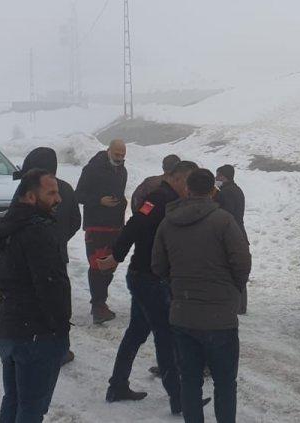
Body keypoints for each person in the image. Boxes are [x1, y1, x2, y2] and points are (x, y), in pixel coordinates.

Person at [98, 161, 198, 414]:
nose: (190, 189)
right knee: (166, 336)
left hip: (147, 277)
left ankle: (117, 385)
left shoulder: (171, 199)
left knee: (136, 332)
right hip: (148, 279)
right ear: (177, 179)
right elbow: (134, 225)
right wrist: (116, 256)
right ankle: (179, 398)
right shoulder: (160, 197)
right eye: (189, 183)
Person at [153, 169, 252, 423]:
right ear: (212, 191)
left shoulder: (168, 222)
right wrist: (232, 291)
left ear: (187, 189)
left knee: (190, 382)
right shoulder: (224, 221)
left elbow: (158, 266)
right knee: (225, 383)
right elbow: (242, 263)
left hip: (183, 317)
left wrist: (177, 286)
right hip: (220, 319)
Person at [0, 169, 70, 423]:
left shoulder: (8, 227)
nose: (58, 199)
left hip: (10, 328)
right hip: (36, 334)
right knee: (32, 407)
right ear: (31, 197)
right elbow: (51, 285)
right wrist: (60, 330)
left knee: (13, 399)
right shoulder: (37, 231)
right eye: (51, 193)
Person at [15, 147, 81, 364]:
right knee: (60, 300)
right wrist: (60, 241)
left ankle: (39, 345)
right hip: (58, 254)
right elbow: (75, 222)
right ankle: (62, 348)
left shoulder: (28, 191)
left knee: (35, 299)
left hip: (30, 258)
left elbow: (16, 221)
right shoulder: (66, 189)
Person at [76, 139, 128, 324]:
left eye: (123, 155)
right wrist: (99, 200)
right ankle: (98, 305)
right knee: (98, 265)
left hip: (115, 225)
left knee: (111, 264)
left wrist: (122, 203)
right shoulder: (92, 169)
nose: (120, 158)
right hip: (96, 225)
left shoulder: (122, 170)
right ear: (108, 151)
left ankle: (100, 302)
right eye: (117, 154)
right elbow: (79, 194)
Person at [213, 165, 247, 314]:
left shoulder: (225, 193)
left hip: (230, 235)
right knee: (238, 268)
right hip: (240, 233)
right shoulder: (237, 190)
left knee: (229, 269)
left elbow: (225, 214)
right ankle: (240, 305)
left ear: (222, 177)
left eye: (217, 176)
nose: (215, 179)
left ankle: (235, 305)